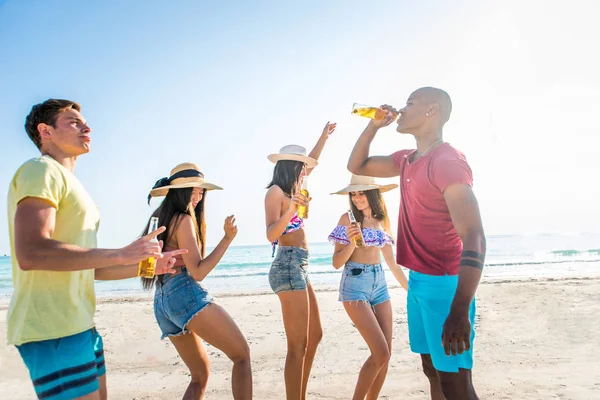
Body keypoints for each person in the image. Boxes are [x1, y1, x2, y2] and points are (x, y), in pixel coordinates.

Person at [7, 99, 185, 400]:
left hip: (79, 324)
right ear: (45, 131)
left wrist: (145, 266)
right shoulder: (41, 170)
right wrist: (121, 253)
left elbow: (86, 266)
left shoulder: (72, 184)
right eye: (73, 121)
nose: (87, 127)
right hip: (52, 327)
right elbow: (32, 252)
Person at [347, 87, 486, 400]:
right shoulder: (407, 160)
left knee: (456, 384)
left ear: (431, 110)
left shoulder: (447, 160)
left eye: (410, 103)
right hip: (419, 282)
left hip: (446, 286)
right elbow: (357, 165)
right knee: (432, 371)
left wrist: (460, 309)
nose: (401, 108)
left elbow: (474, 235)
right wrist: (373, 125)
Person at [144, 162, 252, 400]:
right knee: (242, 355)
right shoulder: (183, 219)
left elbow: (147, 267)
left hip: (162, 302)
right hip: (184, 293)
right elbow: (198, 272)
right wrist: (227, 239)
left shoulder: (160, 216)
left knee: (199, 376)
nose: (198, 195)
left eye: (201, 190)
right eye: (193, 190)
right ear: (179, 191)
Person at [264, 121, 336, 400]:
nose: (306, 170)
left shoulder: (297, 187)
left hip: (300, 265)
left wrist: (323, 137)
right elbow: (271, 234)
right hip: (287, 264)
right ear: (290, 166)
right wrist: (291, 209)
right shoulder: (276, 193)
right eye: (302, 166)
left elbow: (314, 162)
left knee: (314, 334)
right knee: (298, 345)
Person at [328, 174, 408, 400]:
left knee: (386, 355)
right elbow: (336, 263)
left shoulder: (382, 220)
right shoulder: (347, 219)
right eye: (353, 193)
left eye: (361, 192)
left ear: (373, 193)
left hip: (379, 284)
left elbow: (392, 263)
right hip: (354, 284)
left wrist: (411, 293)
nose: (357, 197)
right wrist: (352, 242)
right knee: (380, 352)